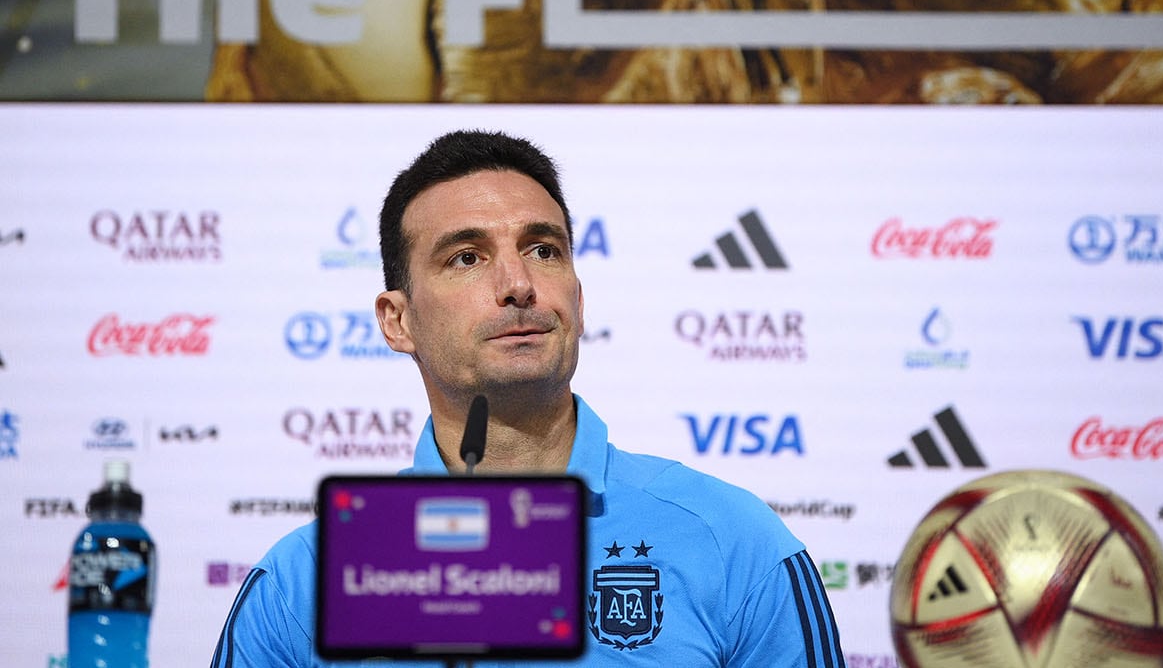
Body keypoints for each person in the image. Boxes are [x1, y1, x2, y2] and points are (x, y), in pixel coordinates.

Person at [210, 129, 845, 667]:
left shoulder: (734, 543)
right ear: (396, 320)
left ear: (578, 296)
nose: (517, 285)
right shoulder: (301, 585)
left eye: (544, 250)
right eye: (466, 257)